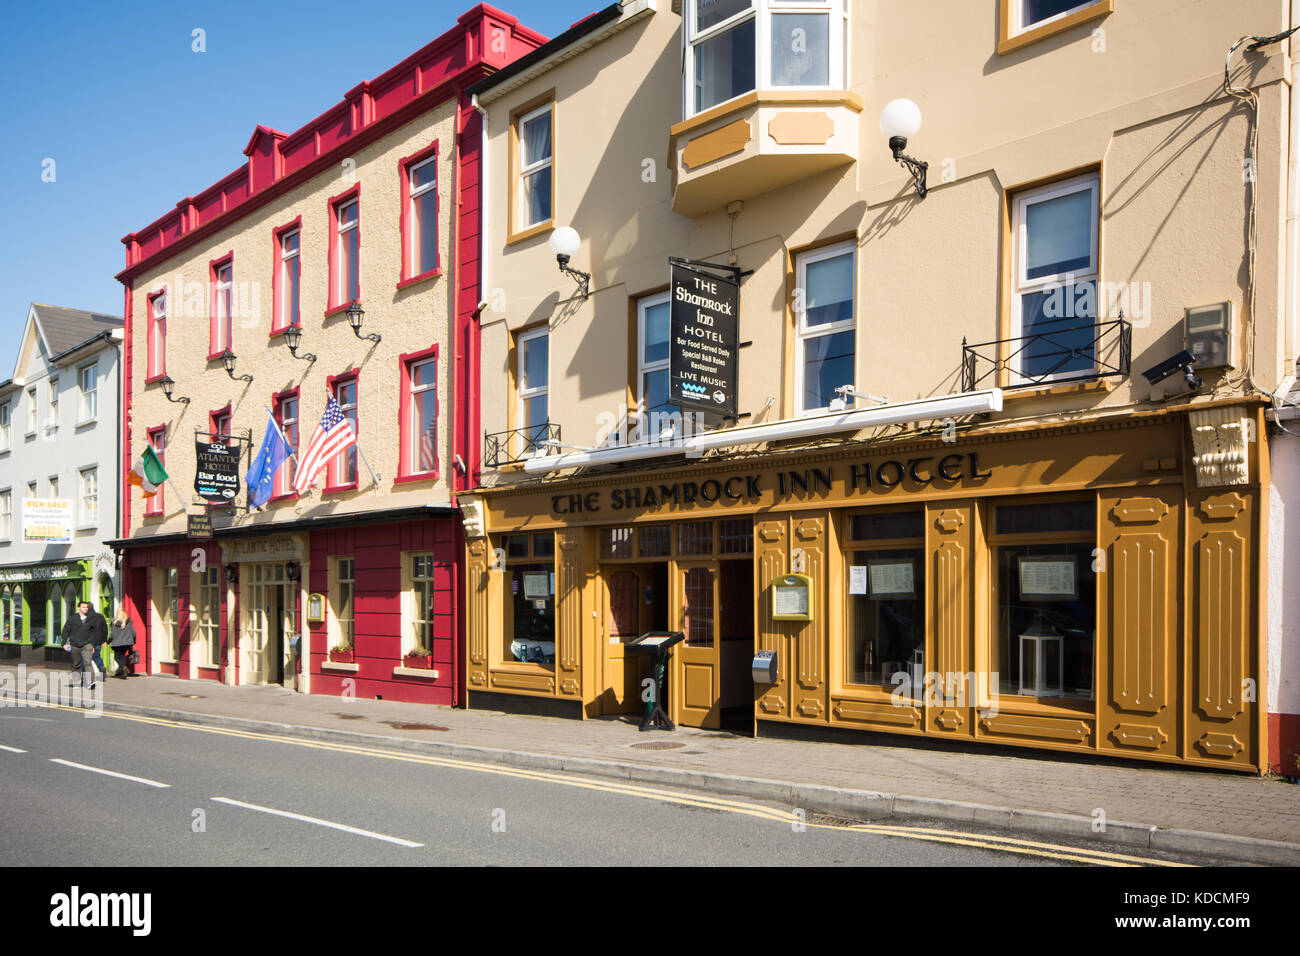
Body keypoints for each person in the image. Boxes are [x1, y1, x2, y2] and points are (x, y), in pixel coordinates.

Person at [61, 600, 108, 690]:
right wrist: (64, 643)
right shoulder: (72, 618)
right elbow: (66, 630)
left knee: (88, 662)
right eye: (83, 607)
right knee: (76, 664)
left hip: (87, 644)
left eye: (86, 607)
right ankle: (76, 682)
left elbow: (94, 632)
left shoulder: (91, 618)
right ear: (79, 608)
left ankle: (91, 682)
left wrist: (93, 644)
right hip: (75, 644)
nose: (85, 609)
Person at [109, 609, 136, 678]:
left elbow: (112, 634)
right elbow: (133, 633)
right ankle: (123, 672)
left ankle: (124, 669)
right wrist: (134, 641)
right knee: (121, 657)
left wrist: (108, 641)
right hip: (127, 643)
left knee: (117, 657)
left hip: (118, 643)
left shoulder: (114, 623)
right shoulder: (129, 622)